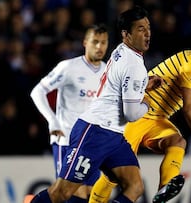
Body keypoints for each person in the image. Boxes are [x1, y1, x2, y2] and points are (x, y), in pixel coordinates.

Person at [89, 28, 191, 203]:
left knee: (178, 142)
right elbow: (190, 108)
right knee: (114, 174)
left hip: (155, 118)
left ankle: (162, 194)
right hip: (135, 115)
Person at [30, 5, 162, 203]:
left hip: (114, 136)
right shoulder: (133, 65)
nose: (147, 33)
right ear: (126, 34)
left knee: (135, 186)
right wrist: (147, 103)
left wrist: (142, 86)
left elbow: (119, 85)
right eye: (141, 29)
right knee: (63, 193)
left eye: (148, 27)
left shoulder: (121, 51)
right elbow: (132, 113)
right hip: (94, 133)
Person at [29, 24, 109, 202]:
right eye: (95, 42)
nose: (99, 47)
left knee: (90, 194)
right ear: (85, 43)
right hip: (67, 140)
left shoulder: (109, 73)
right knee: (71, 192)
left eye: (103, 42)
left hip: (92, 144)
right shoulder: (69, 68)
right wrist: (52, 121)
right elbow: (37, 92)